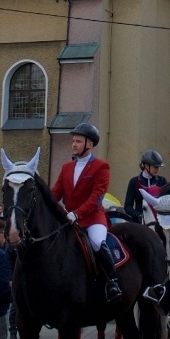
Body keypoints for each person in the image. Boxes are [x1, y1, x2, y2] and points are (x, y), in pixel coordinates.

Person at [51, 122, 121, 301]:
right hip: (69, 218)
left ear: (89, 144)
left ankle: (112, 281)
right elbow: (56, 193)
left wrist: (77, 213)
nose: (74, 144)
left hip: (92, 218)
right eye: (73, 141)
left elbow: (97, 196)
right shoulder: (67, 167)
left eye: (78, 141)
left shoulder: (101, 166)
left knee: (97, 242)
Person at [123, 150, 168, 221]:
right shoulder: (134, 182)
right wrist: (138, 215)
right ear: (146, 165)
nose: (158, 169)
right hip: (140, 221)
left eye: (159, 167)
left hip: (158, 221)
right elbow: (128, 207)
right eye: (155, 167)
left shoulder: (162, 181)